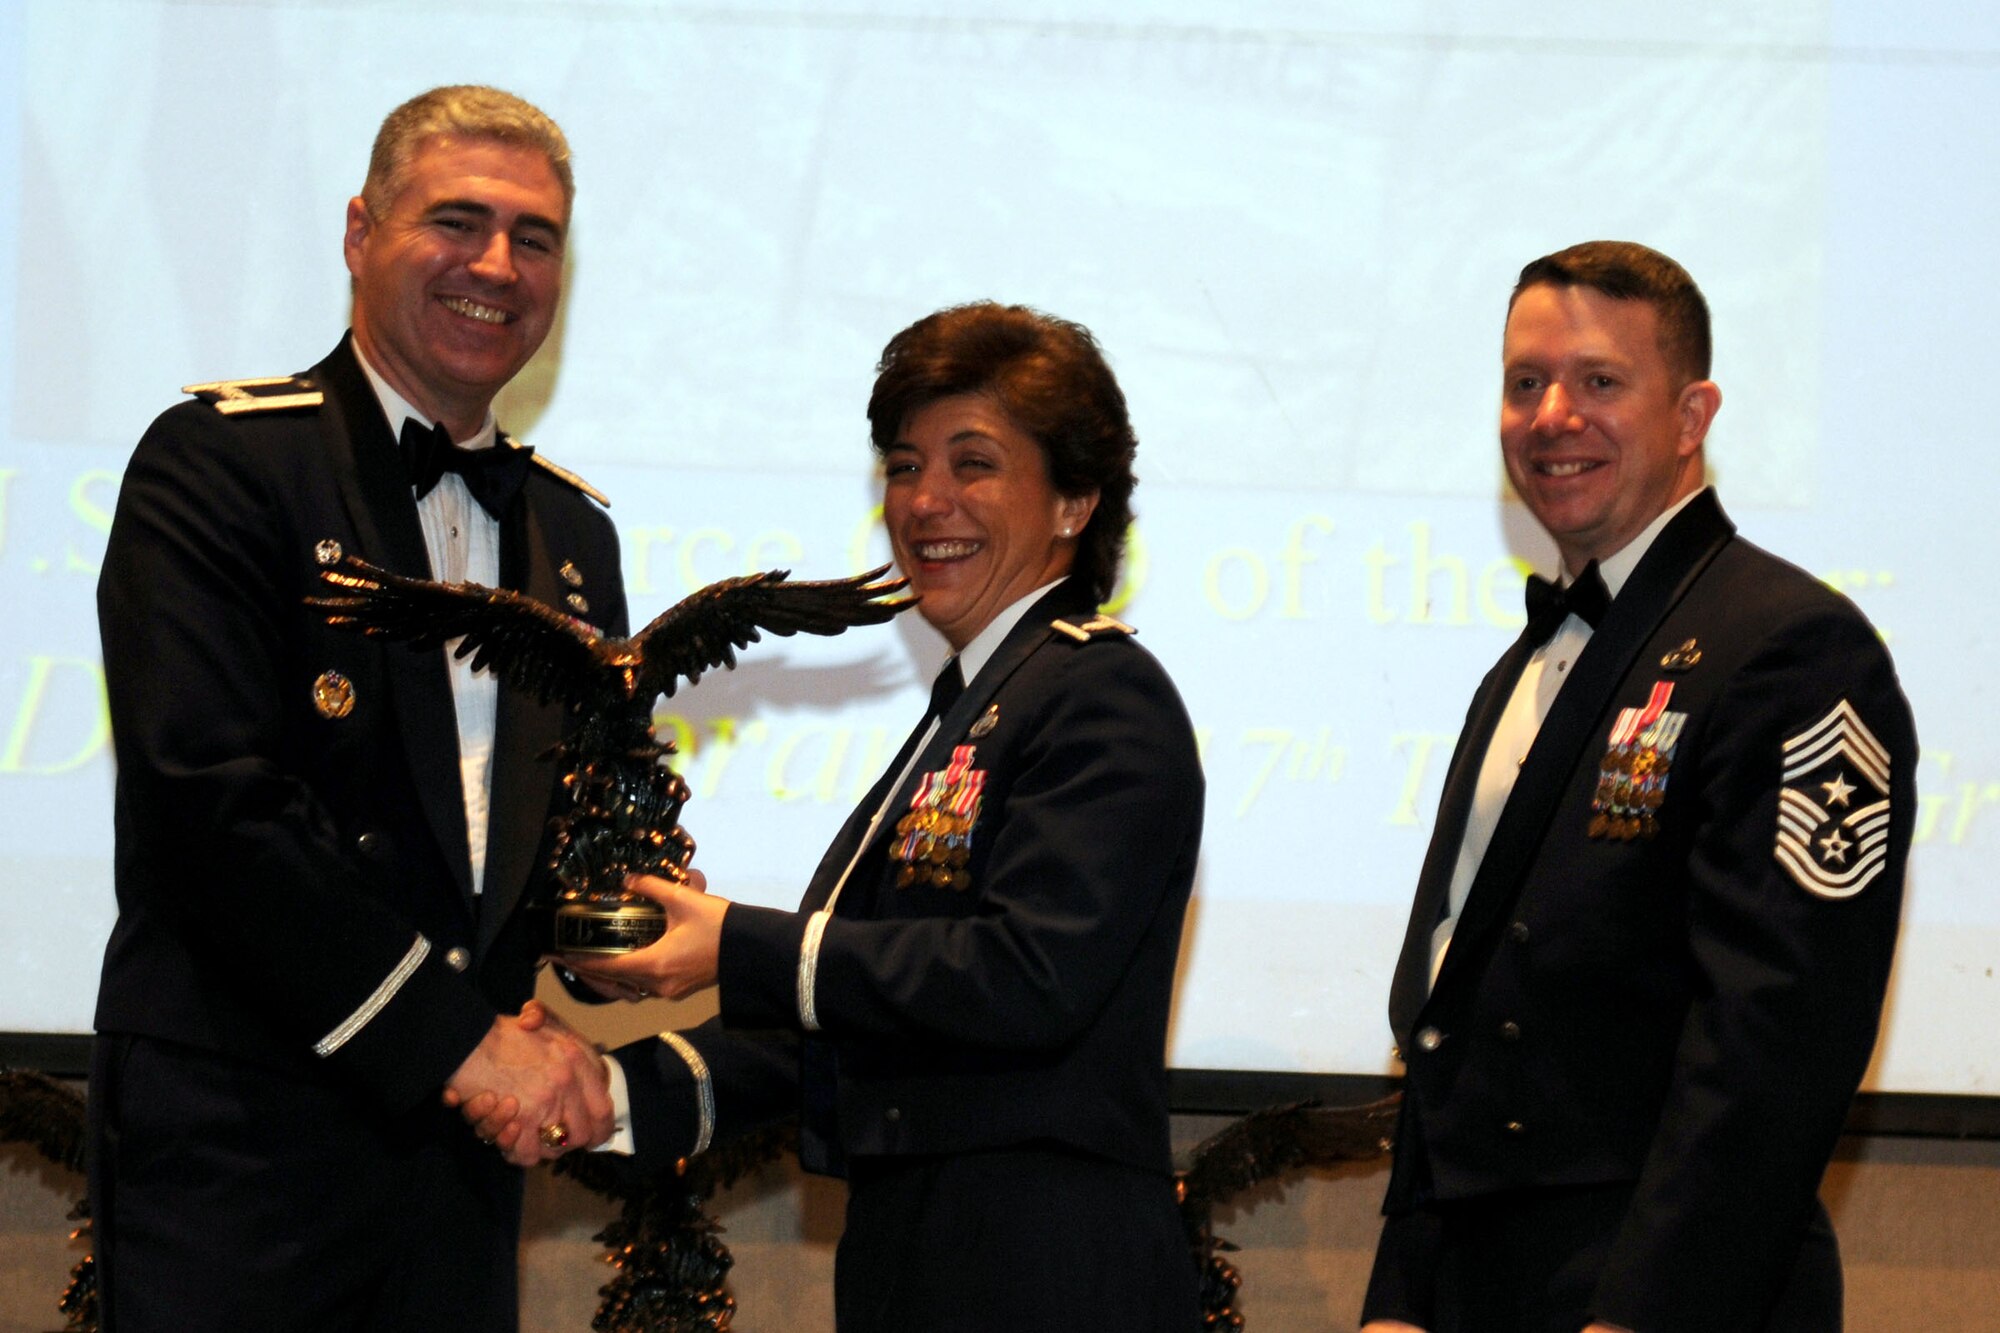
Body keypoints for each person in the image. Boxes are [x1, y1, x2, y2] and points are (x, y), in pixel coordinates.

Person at [470, 301, 1206, 1331]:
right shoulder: (971, 710)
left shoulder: (1098, 694)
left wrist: (734, 942)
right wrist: (605, 1088)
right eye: (904, 467)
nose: (925, 501)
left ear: (1074, 500)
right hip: (929, 1268)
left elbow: (1026, 979)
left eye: (973, 463)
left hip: (1046, 1272)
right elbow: (839, 1025)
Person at [90, 85, 623, 1330]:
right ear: (357, 232)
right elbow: (206, 812)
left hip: (455, 1181)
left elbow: (540, 842)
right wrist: (459, 1040)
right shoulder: (222, 463)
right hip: (243, 1157)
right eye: (456, 220)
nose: (495, 264)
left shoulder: (573, 533)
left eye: (533, 237)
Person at [1359, 241, 1917, 1333]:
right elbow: (1449, 1005)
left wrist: (1640, 1313)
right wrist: (1399, 1294)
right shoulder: (1517, 674)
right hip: (1478, 1282)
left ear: (1691, 413)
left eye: (1599, 381)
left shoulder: (1790, 647)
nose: (1551, 414)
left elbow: (1775, 1037)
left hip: (1669, 1283)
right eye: (1524, 383)